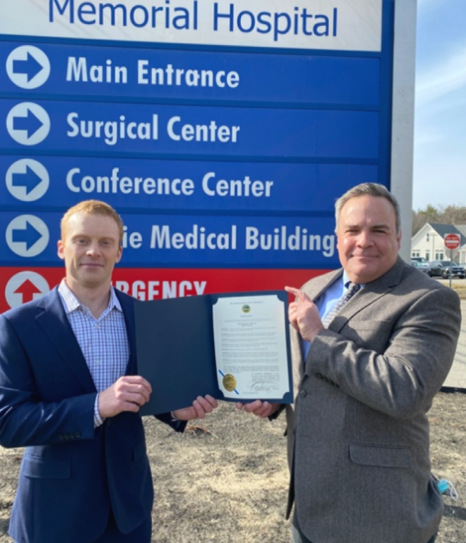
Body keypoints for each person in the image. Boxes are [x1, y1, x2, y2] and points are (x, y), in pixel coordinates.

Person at [238, 183, 461, 543]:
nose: (364, 241)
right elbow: (307, 371)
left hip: (379, 512)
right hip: (311, 504)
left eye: (379, 230)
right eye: (353, 230)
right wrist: (277, 398)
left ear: (399, 236)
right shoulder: (314, 288)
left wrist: (319, 335)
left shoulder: (430, 299)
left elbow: (405, 390)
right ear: (337, 237)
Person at [0, 200, 217, 543]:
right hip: (54, 513)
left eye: (105, 243)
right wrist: (96, 407)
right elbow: (8, 422)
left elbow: (148, 390)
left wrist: (175, 409)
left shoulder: (143, 317)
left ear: (119, 252)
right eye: (81, 240)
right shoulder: (19, 325)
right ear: (61, 248)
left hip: (127, 512)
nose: (93, 252)